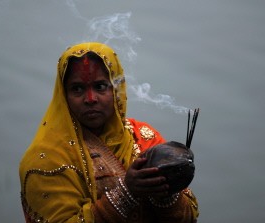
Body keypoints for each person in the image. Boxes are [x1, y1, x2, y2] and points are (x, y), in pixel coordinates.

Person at [19, 42, 199, 223]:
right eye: (77, 89)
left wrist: (165, 191)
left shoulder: (143, 138)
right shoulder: (46, 157)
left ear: (116, 90)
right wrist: (126, 193)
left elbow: (189, 218)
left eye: (100, 86)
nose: (90, 99)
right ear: (63, 95)